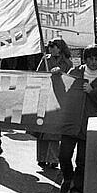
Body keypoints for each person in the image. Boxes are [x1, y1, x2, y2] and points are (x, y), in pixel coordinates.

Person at [59, 44, 97, 193]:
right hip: (70, 123)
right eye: (90, 58)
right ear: (85, 59)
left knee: (82, 161)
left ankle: (77, 191)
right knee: (64, 156)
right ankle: (68, 178)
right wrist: (57, 75)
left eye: (96, 59)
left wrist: (92, 91)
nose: (93, 62)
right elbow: (61, 92)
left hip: (89, 126)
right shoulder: (75, 73)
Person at [34, 38, 73, 169]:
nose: (50, 48)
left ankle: (53, 159)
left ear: (60, 48)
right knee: (42, 130)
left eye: (53, 46)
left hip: (59, 97)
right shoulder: (45, 59)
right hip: (45, 95)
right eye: (49, 46)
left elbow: (70, 78)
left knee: (55, 131)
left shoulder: (67, 62)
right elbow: (38, 75)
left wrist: (60, 74)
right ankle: (41, 157)